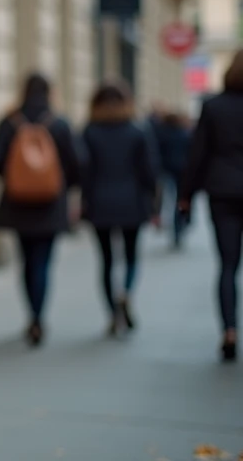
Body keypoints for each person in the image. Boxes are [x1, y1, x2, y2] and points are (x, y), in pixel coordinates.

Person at [179, 44, 243, 362]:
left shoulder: (214, 106)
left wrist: (186, 194)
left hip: (224, 193)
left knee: (228, 265)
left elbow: (198, 155)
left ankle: (229, 330)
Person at [0, 73, 81, 347]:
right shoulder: (59, 123)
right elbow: (77, 162)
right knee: (43, 261)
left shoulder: (10, 122)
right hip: (50, 205)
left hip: (18, 205)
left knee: (26, 261)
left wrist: (15, 178)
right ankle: (39, 316)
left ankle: (31, 312)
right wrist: (62, 186)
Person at [79, 81, 158, 336]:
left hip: (99, 202)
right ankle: (126, 291)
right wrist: (155, 204)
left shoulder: (90, 132)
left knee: (106, 260)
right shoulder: (137, 131)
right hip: (132, 202)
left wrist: (82, 200)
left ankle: (113, 312)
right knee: (132, 255)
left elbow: (83, 171)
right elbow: (150, 171)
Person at [155, 108, 193, 248]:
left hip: (167, 170)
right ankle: (182, 222)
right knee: (180, 200)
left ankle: (174, 224)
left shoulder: (161, 135)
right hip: (182, 171)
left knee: (168, 199)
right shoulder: (185, 134)